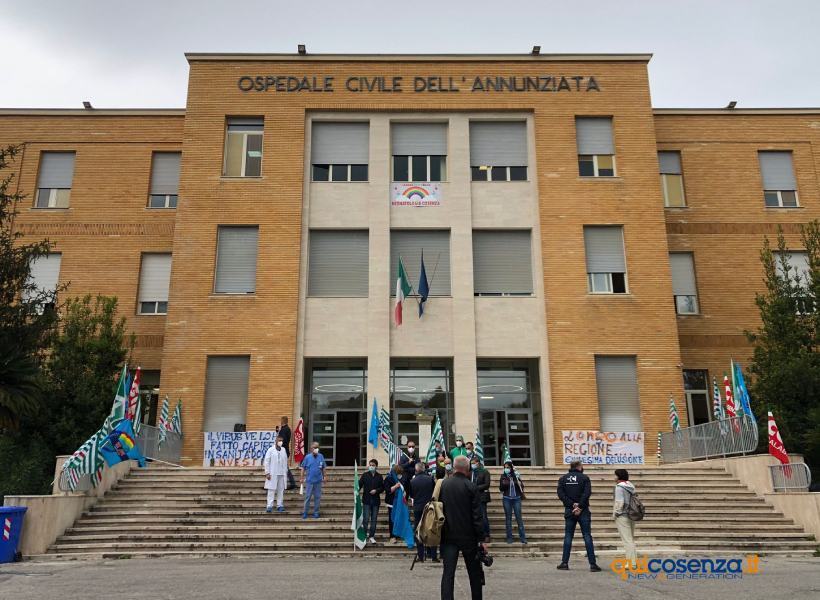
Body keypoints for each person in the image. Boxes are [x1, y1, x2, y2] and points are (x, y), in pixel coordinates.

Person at [439, 455, 486, 600]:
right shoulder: (471, 486)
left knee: (448, 574)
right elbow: (477, 516)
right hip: (469, 537)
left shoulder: (444, 485)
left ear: (454, 467)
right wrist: (481, 539)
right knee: (474, 574)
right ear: (467, 468)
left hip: (448, 535)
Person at [556, 460, 601, 572]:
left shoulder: (563, 479)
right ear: (579, 467)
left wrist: (572, 505)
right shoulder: (585, 478)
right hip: (583, 510)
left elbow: (561, 494)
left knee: (568, 536)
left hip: (569, 510)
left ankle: (564, 563)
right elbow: (587, 493)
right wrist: (580, 506)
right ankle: (593, 564)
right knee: (587, 535)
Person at [410, 462, 439, 562]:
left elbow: (412, 495)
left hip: (418, 508)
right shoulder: (430, 479)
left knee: (419, 531)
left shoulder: (412, 481)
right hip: (429, 507)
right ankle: (434, 556)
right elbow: (434, 492)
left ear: (416, 470)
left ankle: (421, 556)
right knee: (431, 530)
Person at [613, 468, 637, 567]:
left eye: (615, 475)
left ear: (619, 476)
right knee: (630, 539)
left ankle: (631, 563)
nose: (614, 477)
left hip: (622, 515)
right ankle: (633, 562)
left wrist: (616, 513)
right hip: (631, 514)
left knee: (627, 540)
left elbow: (619, 502)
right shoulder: (631, 485)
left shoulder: (619, 487)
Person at [499, 461, 527, 544]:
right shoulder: (503, 476)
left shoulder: (516, 475)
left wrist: (518, 479)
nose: (506, 469)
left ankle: (523, 538)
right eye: (505, 468)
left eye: (508, 467)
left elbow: (522, 487)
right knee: (508, 519)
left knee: (519, 518)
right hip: (507, 498)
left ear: (511, 468)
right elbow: (501, 488)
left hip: (516, 499)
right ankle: (509, 538)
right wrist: (506, 482)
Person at [359, 458, 384, 544]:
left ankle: (371, 536)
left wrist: (376, 491)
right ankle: (364, 536)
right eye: (370, 465)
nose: (371, 466)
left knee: (374, 520)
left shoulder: (379, 476)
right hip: (366, 500)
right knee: (366, 519)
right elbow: (359, 485)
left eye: (373, 465)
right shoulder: (365, 475)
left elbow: (382, 488)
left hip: (376, 501)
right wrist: (356, 490)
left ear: (376, 466)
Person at [300, 442, 326, 519]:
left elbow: (323, 467)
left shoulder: (321, 456)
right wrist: (301, 478)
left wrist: (325, 476)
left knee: (317, 497)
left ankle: (316, 512)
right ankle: (305, 512)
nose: (316, 449)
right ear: (311, 449)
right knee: (307, 497)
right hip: (309, 481)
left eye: (317, 447)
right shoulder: (307, 457)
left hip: (318, 481)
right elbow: (303, 468)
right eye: (314, 448)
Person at [263, 434, 288, 513]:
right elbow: (267, 461)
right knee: (271, 490)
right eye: (279, 440)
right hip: (273, 473)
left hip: (282, 474)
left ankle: (279, 505)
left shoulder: (283, 450)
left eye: (282, 441)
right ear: (276, 441)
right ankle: (269, 506)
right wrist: (267, 473)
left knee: (280, 490)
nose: (281, 442)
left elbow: (285, 461)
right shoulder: (271, 450)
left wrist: (286, 472)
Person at [470, 456, 491, 540]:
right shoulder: (470, 472)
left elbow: (487, 484)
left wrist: (475, 487)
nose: (472, 465)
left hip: (481, 497)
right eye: (471, 463)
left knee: (483, 516)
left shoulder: (485, 472)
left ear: (478, 463)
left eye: (473, 463)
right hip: (472, 497)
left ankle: (486, 535)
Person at [384, 464, 403, 543]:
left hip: (400, 502)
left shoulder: (400, 478)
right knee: (392, 520)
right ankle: (392, 536)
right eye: (399, 473)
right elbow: (388, 490)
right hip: (392, 502)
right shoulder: (388, 478)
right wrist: (395, 486)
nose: (400, 475)